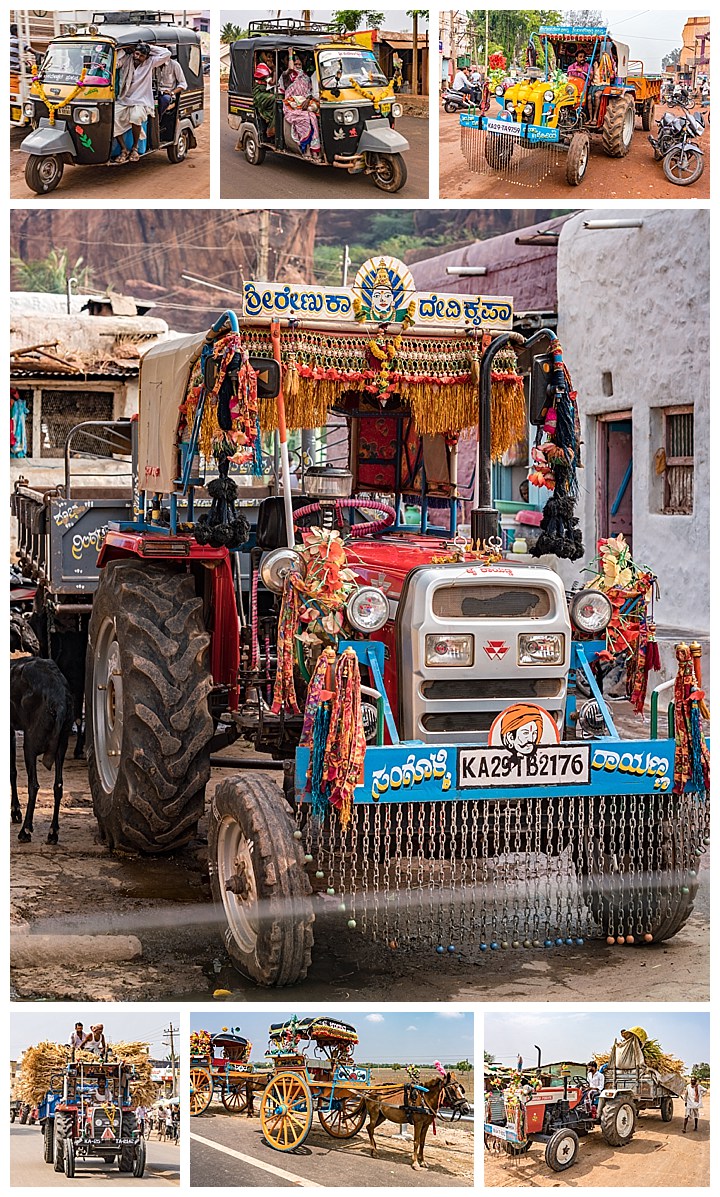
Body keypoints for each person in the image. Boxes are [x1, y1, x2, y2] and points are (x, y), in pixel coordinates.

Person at [112, 40, 171, 164]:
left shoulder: (150, 63)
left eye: (142, 56)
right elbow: (115, 64)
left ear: (147, 57)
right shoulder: (127, 60)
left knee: (136, 116)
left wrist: (148, 46)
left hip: (141, 100)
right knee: (113, 118)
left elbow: (166, 53)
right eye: (137, 54)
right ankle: (123, 149)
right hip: (124, 99)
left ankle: (134, 148)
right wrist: (123, 49)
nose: (137, 57)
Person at [281, 55, 321, 158]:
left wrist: (307, 100)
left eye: (299, 64)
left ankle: (315, 149)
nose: (298, 66)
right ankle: (305, 148)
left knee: (313, 117)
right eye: (296, 64)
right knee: (305, 119)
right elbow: (290, 70)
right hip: (291, 106)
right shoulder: (287, 77)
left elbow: (309, 92)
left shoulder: (306, 78)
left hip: (304, 106)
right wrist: (290, 54)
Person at [156, 52, 187, 120]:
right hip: (155, 92)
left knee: (165, 100)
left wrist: (172, 92)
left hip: (167, 94)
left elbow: (183, 84)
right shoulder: (154, 64)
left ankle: (158, 119)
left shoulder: (174, 65)